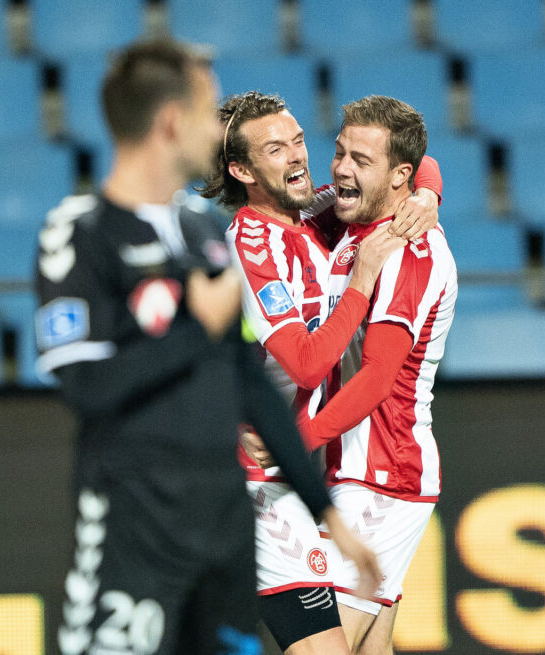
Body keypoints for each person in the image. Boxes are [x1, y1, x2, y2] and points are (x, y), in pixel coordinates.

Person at [34, 39, 379, 655]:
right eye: (206, 110)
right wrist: (197, 329)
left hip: (224, 526)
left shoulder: (202, 234)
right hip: (133, 524)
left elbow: (247, 382)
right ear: (171, 122)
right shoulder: (79, 234)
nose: (214, 128)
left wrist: (325, 513)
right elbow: (88, 389)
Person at [200, 91, 442, 654]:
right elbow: (307, 363)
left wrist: (426, 192)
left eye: (300, 140)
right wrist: (362, 278)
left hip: (312, 477)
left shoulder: (316, 211)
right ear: (241, 170)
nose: (298, 158)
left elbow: (406, 163)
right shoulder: (252, 243)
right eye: (276, 149)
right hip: (257, 479)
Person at [296, 95, 458, 655]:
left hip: (383, 475)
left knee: (315, 648)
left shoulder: (408, 250)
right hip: (360, 471)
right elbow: (415, 164)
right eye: (339, 152)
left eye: (360, 160)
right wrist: (428, 186)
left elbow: (377, 379)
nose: (340, 169)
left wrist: (296, 442)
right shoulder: (343, 221)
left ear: (397, 177)